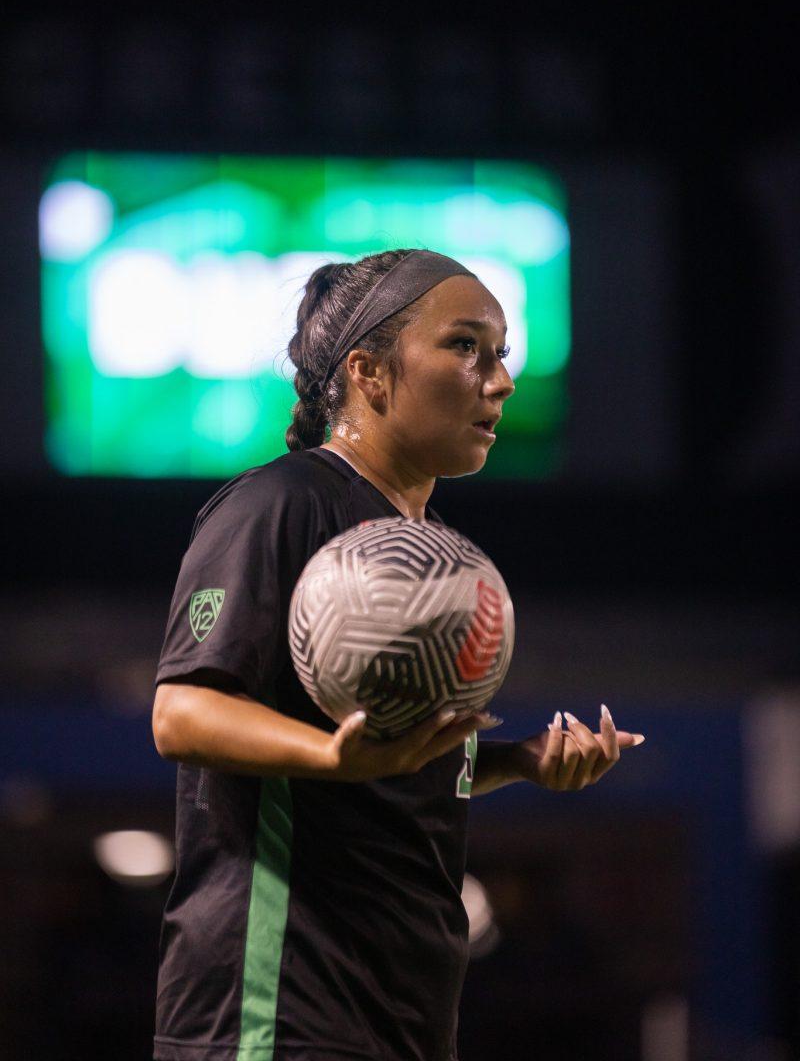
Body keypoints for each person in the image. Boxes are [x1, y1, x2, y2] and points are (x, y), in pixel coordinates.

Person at [150, 247, 645, 1061]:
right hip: (276, 1005)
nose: (501, 380)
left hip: (404, 1015)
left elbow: (382, 771)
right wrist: (327, 756)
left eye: (502, 353)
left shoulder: (436, 553)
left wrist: (515, 761)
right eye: (465, 347)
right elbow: (181, 713)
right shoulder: (281, 503)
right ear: (369, 373)